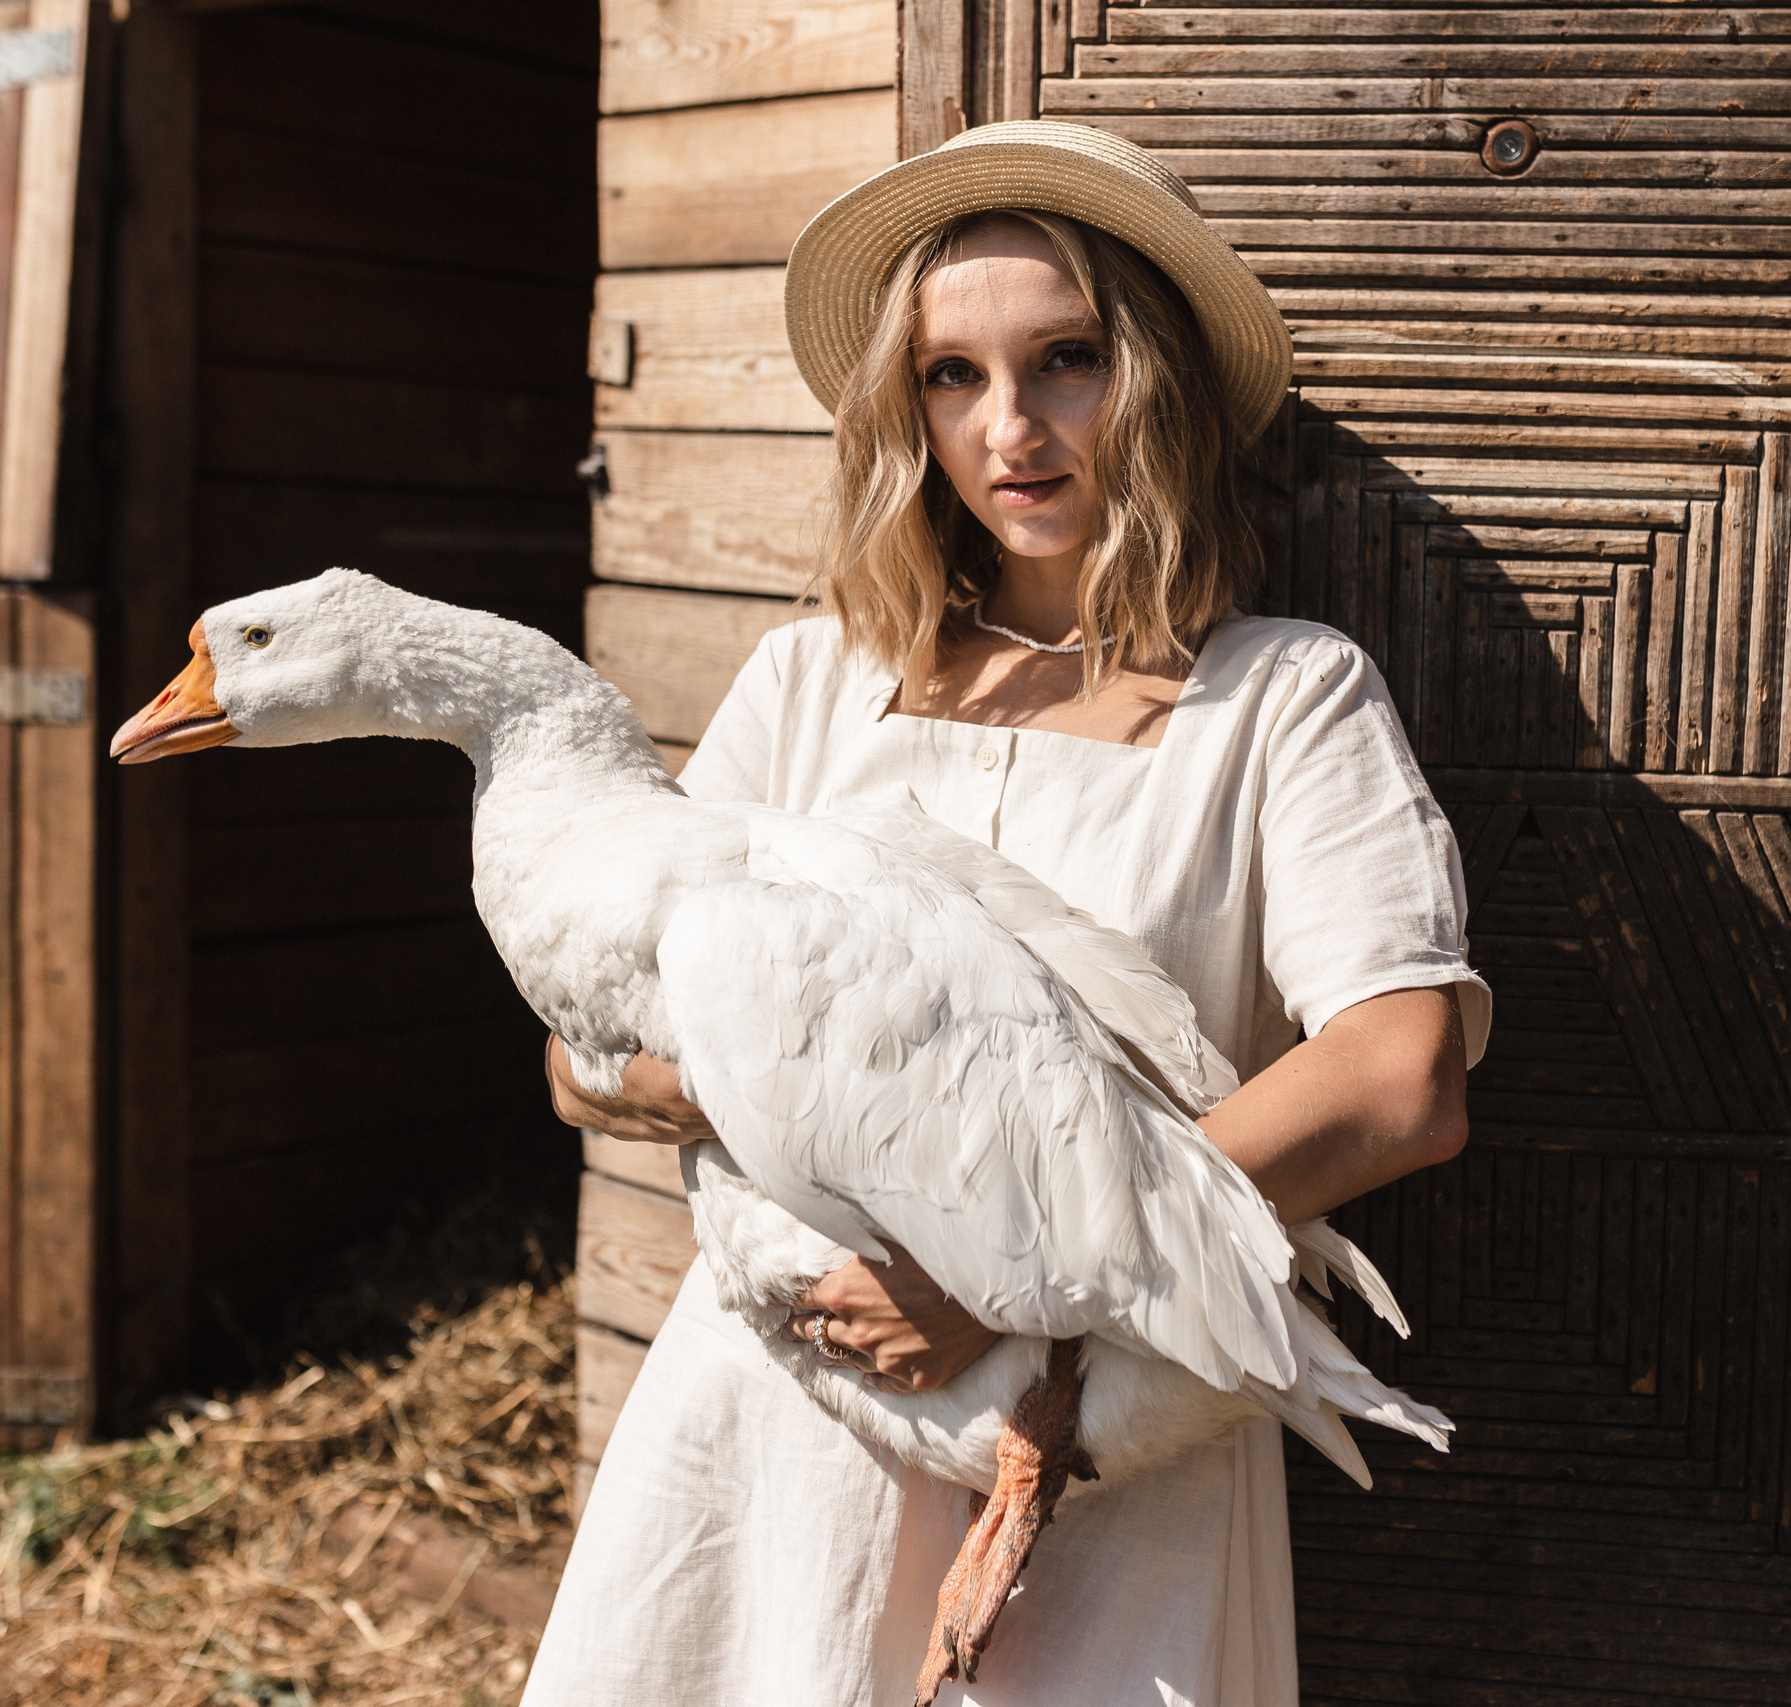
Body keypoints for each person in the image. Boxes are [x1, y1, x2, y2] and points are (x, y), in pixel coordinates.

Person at [521, 121, 1491, 1706]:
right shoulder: (814, 687)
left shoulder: (1279, 699)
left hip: (1101, 1422)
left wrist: (998, 1266)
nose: (1011, 428)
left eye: (1067, 359)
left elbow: (1400, 1077)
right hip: (777, 1410)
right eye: (951, 378)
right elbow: (587, 1056)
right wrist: (809, 1139)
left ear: (1154, 377)